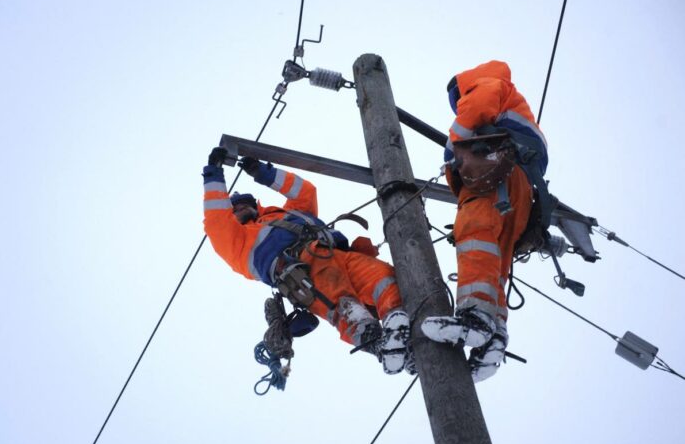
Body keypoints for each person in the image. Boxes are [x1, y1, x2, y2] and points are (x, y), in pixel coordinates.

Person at [202, 147, 411, 374]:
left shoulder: (286, 214)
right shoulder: (235, 242)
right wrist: (214, 173)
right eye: (234, 208)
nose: (239, 208)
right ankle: (381, 347)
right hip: (304, 273)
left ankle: (398, 328)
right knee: (347, 309)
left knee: (383, 278)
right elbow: (216, 217)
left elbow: (305, 191)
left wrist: (262, 173)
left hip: (336, 253)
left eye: (244, 204)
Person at [422, 60, 549, 382]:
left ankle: (475, 317)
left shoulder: (486, 85)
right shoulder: (512, 105)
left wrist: (453, 148)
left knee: (473, 233)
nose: (457, 107)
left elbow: (478, 104)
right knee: (496, 261)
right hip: (518, 188)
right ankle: (494, 335)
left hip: (494, 176)